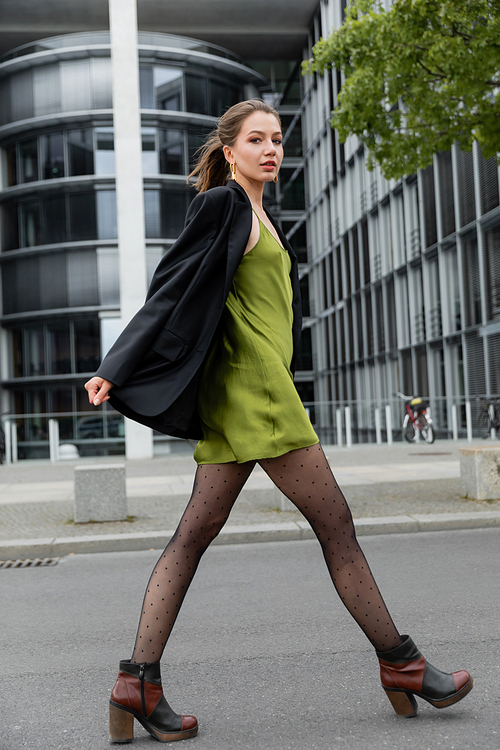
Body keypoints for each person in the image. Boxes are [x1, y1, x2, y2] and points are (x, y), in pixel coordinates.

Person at [85, 99, 473, 744]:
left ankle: (138, 680)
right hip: (255, 391)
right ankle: (403, 665)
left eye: (277, 140)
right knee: (336, 525)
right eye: (256, 140)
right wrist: (116, 366)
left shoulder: (264, 213)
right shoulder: (224, 206)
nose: (271, 150)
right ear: (229, 150)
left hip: (252, 392)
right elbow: (169, 291)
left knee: (195, 534)